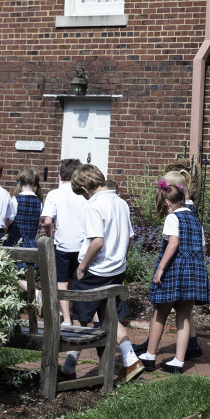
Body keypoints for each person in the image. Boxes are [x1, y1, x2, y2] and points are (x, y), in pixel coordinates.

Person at [59, 164, 143, 383]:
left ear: (86, 188)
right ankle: (130, 358)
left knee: (81, 319)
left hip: (95, 271)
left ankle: (68, 367)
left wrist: (81, 267)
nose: (83, 198)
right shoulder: (122, 203)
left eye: (82, 194)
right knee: (110, 316)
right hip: (116, 270)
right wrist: (120, 260)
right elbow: (129, 238)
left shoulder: (94, 206)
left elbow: (97, 241)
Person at [137, 179, 210, 374]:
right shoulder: (196, 220)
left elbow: (173, 243)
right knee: (184, 316)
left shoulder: (173, 218)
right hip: (194, 271)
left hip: (174, 270)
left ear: (168, 203)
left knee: (160, 312)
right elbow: (201, 246)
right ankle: (178, 361)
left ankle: (150, 356)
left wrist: (161, 268)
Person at [41, 158, 90, 326]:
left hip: (62, 244)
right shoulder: (85, 193)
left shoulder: (54, 194)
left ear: (60, 175)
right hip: (83, 245)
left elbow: (47, 221)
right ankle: (81, 316)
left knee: (61, 282)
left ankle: (67, 319)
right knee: (78, 280)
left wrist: (50, 236)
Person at [6, 167, 43, 249]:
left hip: (14, 243)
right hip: (31, 245)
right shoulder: (39, 202)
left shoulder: (15, 200)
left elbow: (10, 221)